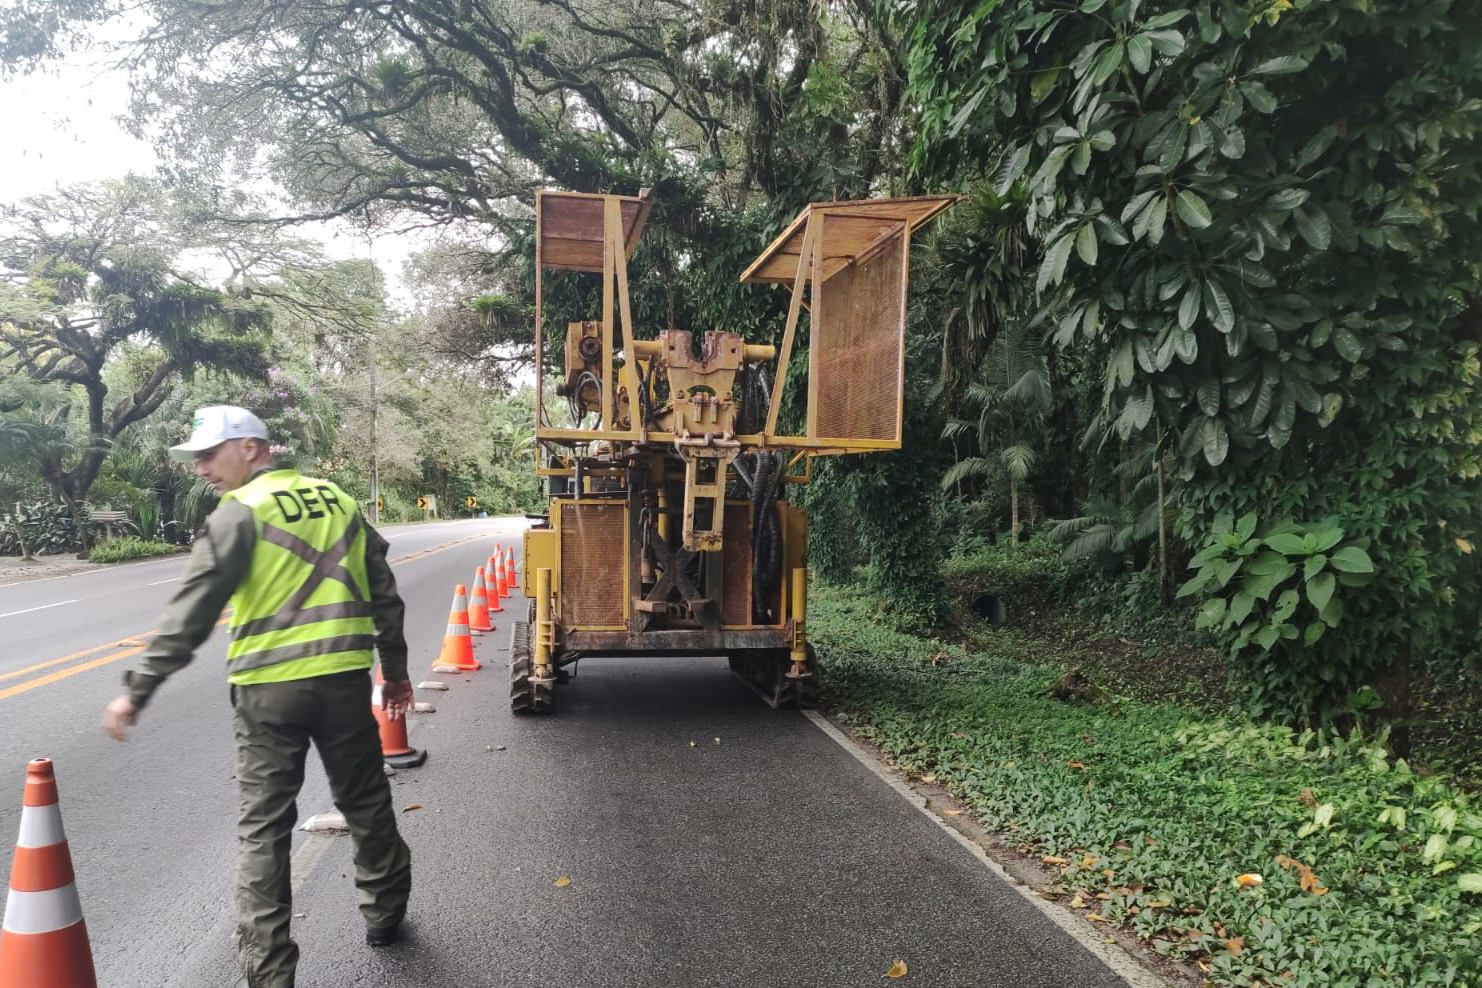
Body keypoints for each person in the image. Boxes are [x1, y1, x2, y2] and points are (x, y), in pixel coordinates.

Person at [102, 405, 415, 988]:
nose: (200, 469)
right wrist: (393, 671)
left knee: (264, 830)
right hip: (344, 682)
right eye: (194, 458)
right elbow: (384, 592)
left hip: (267, 694)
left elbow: (189, 615)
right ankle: (385, 913)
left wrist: (137, 690)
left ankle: (269, 975)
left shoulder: (236, 514)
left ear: (251, 448)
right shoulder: (338, 501)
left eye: (208, 454)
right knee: (366, 802)